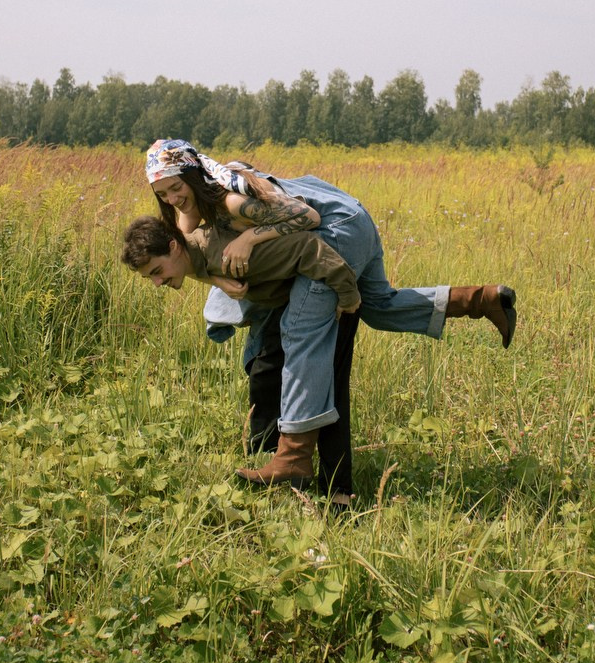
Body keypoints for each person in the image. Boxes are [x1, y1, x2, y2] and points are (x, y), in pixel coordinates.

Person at [144, 140, 518, 488]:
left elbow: (305, 217)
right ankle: (481, 300)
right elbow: (186, 249)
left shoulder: (231, 202)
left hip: (334, 229)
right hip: (353, 217)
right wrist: (217, 278)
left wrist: (249, 238)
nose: (173, 198)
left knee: (300, 330)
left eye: (177, 187)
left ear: (194, 175)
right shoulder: (194, 204)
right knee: (381, 307)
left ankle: (293, 457)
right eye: (163, 194)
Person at [121, 215, 360, 500]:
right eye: (151, 277)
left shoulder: (229, 247)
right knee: (265, 368)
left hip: (332, 270)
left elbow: (310, 247)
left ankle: (337, 496)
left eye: (157, 271)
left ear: (173, 247)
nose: (158, 283)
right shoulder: (189, 251)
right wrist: (216, 280)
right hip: (287, 288)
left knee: (324, 380)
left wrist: (349, 298)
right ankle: (271, 470)